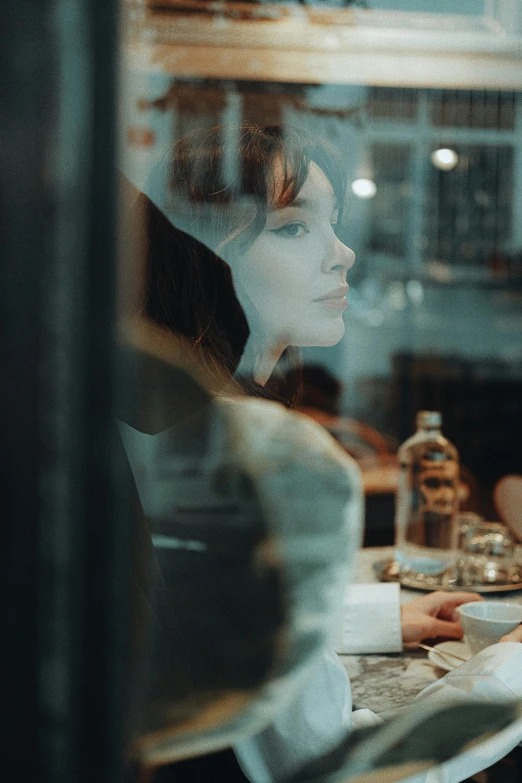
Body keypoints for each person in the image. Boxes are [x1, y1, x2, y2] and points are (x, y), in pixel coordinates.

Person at [126, 124, 522, 782]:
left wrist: (380, 615)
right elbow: (341, 769)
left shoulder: (183, 424)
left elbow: (221, 631)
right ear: (203, 255)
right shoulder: (251, 456)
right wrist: (510, 665)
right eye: (292, 227)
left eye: (332, 223)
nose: (343, 255)